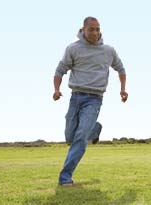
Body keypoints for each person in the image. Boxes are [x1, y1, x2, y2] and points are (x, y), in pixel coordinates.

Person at [53, 16, 128, 186]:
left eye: (98, 29)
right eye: (91, 29)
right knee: (70, 137)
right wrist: (57, 90)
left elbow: (121, 69)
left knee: (80, 138)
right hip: (75, 97)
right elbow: (60, 70)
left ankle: (65, 177)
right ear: (83, 30)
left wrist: (123, 89)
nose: (95, 32)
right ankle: (94, 129)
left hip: (94, 99)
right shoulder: (73, 48)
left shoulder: (108, 50)